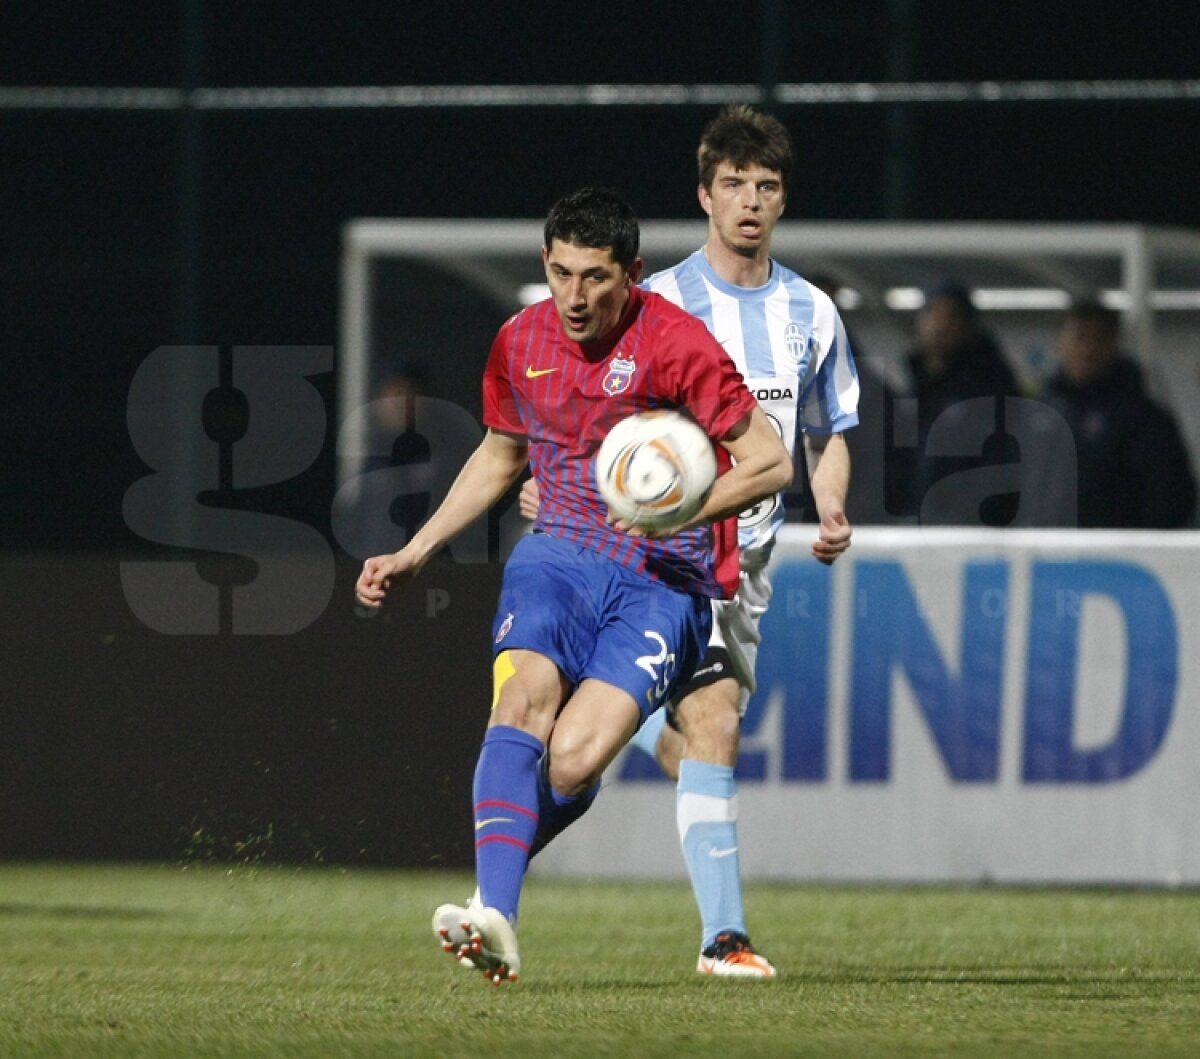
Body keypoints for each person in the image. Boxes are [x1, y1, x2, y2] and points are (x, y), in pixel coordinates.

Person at [355, 186, 793, 986]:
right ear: (544, 265)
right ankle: (499, 916)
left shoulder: (677, 344)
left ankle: (492, 894)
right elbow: (499, 454)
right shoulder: (519, 340)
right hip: (555, 553)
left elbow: (768, 461)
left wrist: (678, 508)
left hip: (665, 579)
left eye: (595, 277)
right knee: (521, 700)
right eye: (560, 273)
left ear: (633, 272)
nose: (575, 296)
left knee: (572, 761)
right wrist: (416, 549)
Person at [521, 105, 860, 977]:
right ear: (704, 194)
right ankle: (725, 939)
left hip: (747, 566)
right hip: (652, 555)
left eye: (768, 186)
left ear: (784, 200)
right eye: (735, 184)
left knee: (699, 735)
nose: (751, 200)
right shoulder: (656, 301)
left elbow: (827, 431)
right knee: (712, 719)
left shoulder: (813, 313)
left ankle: (602, 746)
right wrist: (549, 483)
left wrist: (830, 504)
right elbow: (580, 402)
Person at [1038, 297, 1196, 527]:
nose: (1088, 349)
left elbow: (1170, 496)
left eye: (1100, 338)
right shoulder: (1038, 414)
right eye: (1080, 336)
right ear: (1060, 343)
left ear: (1114, 345)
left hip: (1118, 553)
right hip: (1043, 554)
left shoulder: (1145, 419)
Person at [891, 279, 1022, 524]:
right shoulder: (915, 387)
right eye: (932, 314)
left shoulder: (991, 387)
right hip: (916, 529)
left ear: (969, 325)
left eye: (950, 316)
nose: (940, 325)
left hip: (971, 533)